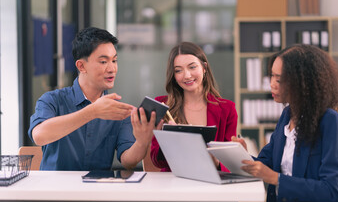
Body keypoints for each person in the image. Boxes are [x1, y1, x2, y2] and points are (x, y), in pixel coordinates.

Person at [236, 44, 338, 202]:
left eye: (279, 79)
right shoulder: (287, 115)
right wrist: (238, 155)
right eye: (271, 76)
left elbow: (331, 190)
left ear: (303, 82)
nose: (272, 84)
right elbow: (266, 163)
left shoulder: (329, 121)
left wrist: (274, 178)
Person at [28, 27, 161, 170]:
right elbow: (39, 136)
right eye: (103, 62)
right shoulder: (52, 100)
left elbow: (128, 161)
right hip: (55, 190)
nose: (112, 69)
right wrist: (92, 112)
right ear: (81, 66)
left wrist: (142, 142)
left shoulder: (118, 110)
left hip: (97, 189)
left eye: (114, 61)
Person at [150, 42, 238, 172]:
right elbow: (156, 161)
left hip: (211, 184)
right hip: (173, 183)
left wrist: (214, 160)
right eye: (178, 70)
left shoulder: (227, 109)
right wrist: (169, 141)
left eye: (192, 67)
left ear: (204, 68)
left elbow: (230, 163)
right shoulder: (163, 105)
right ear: (173, 76)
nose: (187, 75)